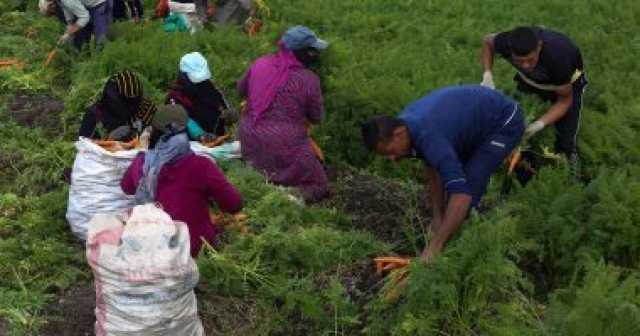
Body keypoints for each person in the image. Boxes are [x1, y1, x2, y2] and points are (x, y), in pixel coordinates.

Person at [362, 85, 524, 262]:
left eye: (390, 151)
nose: (392, 159)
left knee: (469, 183)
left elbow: (461, 195)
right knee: (451, 192)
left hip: (503, 121)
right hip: (473, 120)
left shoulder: (430, 137)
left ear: (398, 134)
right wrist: (437, 216)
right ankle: (447, 233)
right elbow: (432, 167)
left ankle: (457, 247)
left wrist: (435, 246)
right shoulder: (407, 126)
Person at [121, 104, 243, 257]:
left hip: (151, 248)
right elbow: (234, 204)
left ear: (154, 131)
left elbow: (126, 187)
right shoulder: (201, 165)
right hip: (194, 249)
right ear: (186, 132)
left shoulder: (141, 162)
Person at [238, 25, 329, 202]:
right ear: (301, 52)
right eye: (312, 50)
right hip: (285, 141)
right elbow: (316, 117)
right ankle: (289, 197)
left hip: (249, 134)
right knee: (320, 184)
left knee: (263, 161)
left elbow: (241, 90)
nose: (315, 54)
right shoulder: (309, 79)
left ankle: (261, 178)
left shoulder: (260, 63)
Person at [481, 26, 587, 175]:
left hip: (565, 86)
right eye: (520, 61)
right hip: (530, 82)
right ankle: (525, 167)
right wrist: (487, 74)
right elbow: (488, 41)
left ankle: (573, 172)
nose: (526, 65)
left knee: (565, 139)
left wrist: (540, 123)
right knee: (518, 127)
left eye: (530, 60)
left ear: (539, 46)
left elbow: (564, 101)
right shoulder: (506, 42)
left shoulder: (558, 57)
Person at [166, 52, 233, 141]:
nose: (200, 83)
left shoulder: (211, 88)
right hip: (192, 145)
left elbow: (222, 107)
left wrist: (230, 114)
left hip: (219, 140)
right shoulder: (175, 97)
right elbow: (183, 119)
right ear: (184, 76)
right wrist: (200, 135)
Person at [79, 70, 157, 140]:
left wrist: (146, 134)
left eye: (132, 102)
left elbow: (161, 139)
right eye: (126, 103)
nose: (130, 108)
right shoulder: (95, 115)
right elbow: (84, 148)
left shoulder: (146, 108)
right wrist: (109, 139)